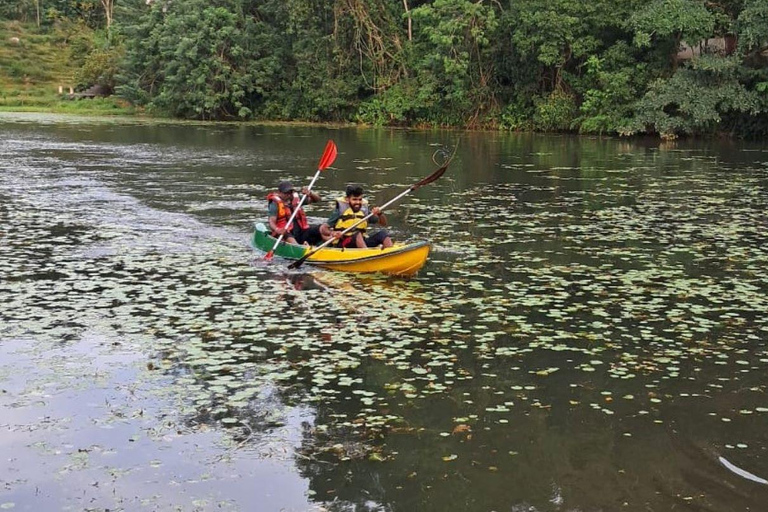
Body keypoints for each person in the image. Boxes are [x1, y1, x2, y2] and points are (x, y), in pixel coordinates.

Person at [327, 184, 393, 248]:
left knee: (382, 234)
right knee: (357, 235)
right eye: (354, 199)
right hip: (344, 242)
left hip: (361, 242)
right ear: (347, 199)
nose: (358, 202)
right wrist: (333, 233)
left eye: (360, 199)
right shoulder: (339, 211)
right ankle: (367, 256)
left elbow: (383, 223)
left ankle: (391, 254)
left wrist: (380, 214)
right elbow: (324, 229)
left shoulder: (364, 211)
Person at [267, 180, 330, 246]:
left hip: (301, 232)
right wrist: (277, 230)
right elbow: (271, 221)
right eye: (286, 193)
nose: (289, 195)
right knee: (286, 234)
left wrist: (310, 193)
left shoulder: (296, 199)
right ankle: (299, 247)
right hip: (286, 233)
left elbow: (317, 199)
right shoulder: (274, 204)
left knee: (321, 228)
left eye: (290, 192)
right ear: (279, 193)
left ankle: (330, 245)